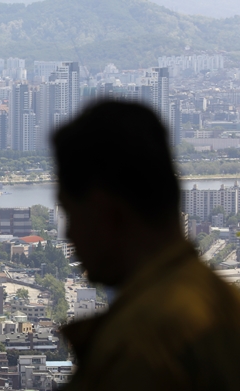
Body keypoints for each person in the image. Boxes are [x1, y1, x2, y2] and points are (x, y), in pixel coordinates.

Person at [53, 101, 240, 390]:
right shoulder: (228, 304)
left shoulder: (138, 345)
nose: (69, 234)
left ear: (108, 215)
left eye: (71, 215)